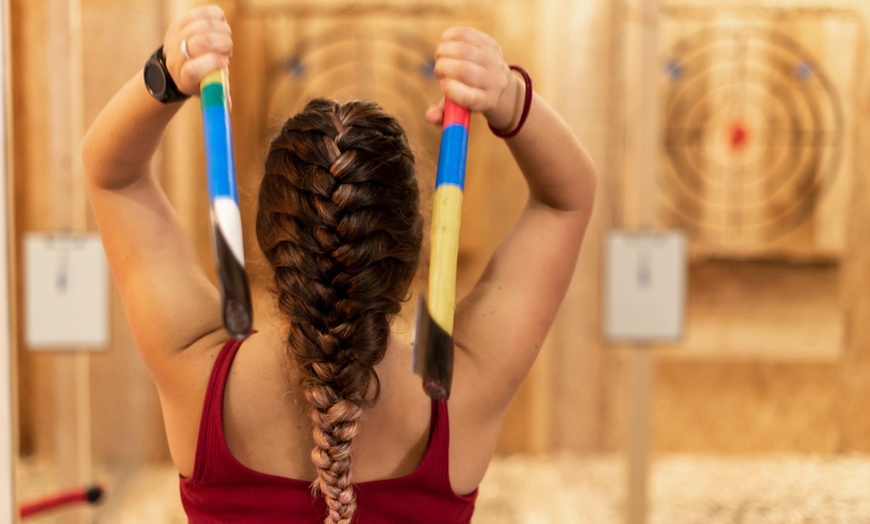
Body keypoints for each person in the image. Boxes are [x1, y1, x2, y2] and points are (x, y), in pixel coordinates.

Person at [82, 5, 596, 524]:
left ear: (269, 238)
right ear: (412, 248)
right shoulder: (459, 392)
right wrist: (507, 97)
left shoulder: (196, 371)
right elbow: (567, 198)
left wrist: (168, 75)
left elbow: (113, 177)